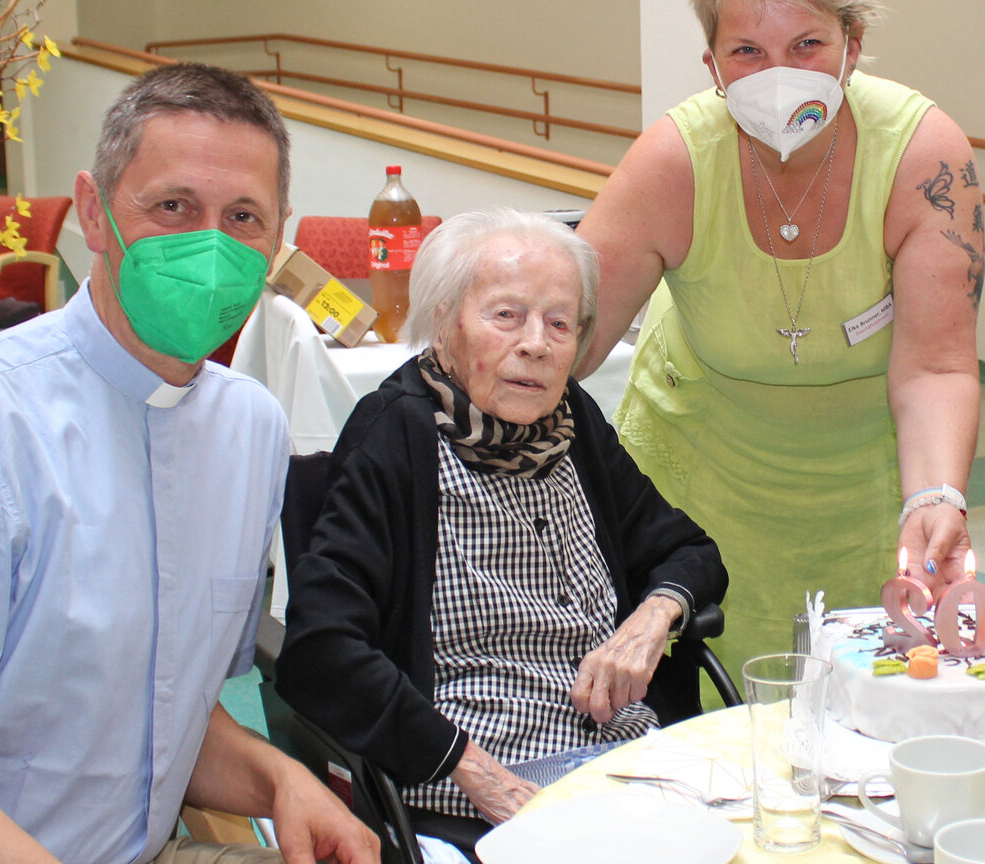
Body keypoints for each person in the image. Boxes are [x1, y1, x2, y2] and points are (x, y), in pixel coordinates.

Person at [0, 64, 378, 864]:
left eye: (243, 217)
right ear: (96, 214)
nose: (209, 245)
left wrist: (281, 783)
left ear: (278, 241)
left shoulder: (250, 430)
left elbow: (168, 718)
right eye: (173, 207)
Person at [576, 0, 982, 673]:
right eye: (748, 52)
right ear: (713, 65)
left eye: (807, 46)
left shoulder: (921, 155)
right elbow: (570, 339)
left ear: (852, 45)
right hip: (694, 489)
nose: (779, 75)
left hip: (863, 490)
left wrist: (934, 495)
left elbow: (936, 365)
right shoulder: (674, 160)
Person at [276, 208, 726, 859]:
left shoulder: (573, 424)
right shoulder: (395, 437)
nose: (536, 344)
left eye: (559, 322)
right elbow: (320, 647)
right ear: (444, 320)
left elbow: (687, 550)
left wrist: (651, 618)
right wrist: (470, 768)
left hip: (620, 768)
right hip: (474, 791)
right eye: (506, 316)